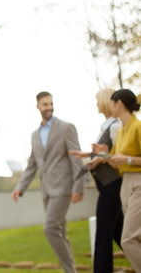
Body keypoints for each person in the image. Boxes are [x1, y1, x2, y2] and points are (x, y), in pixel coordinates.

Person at [11, 91, 84, 273]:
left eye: (51, 103)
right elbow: (32, 165)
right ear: (38, 106)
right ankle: (70, 270)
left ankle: (71, 271)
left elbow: (76, 160)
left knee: (49, 229)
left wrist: (78, 187)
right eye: (45, 104)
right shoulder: (35, 135)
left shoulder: (67, 128)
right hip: (46, 191)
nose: (49, 107)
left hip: (63, 188)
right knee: (61, 232)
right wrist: (20, 188)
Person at [70, 88, 123, 273]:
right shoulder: (107, 125)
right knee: (121, 234)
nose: (95, 103)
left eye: (97, 100)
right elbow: (106, 152)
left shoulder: (115, 126)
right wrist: (88, 154)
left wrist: (99, 158)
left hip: (112, 186)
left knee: (103, 235)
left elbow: (117, 156)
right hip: (106, 186)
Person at [92, 89, 141, 272]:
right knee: (135, 237)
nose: (109, 106)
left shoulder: (138, 127)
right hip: (125, 186)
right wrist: (103, 154)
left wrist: (127, 159)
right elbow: (114, 162)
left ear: (118, 104)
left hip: (138, 183)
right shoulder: (120, 132)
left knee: (127, 239)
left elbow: (125, 159)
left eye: (112, 103)